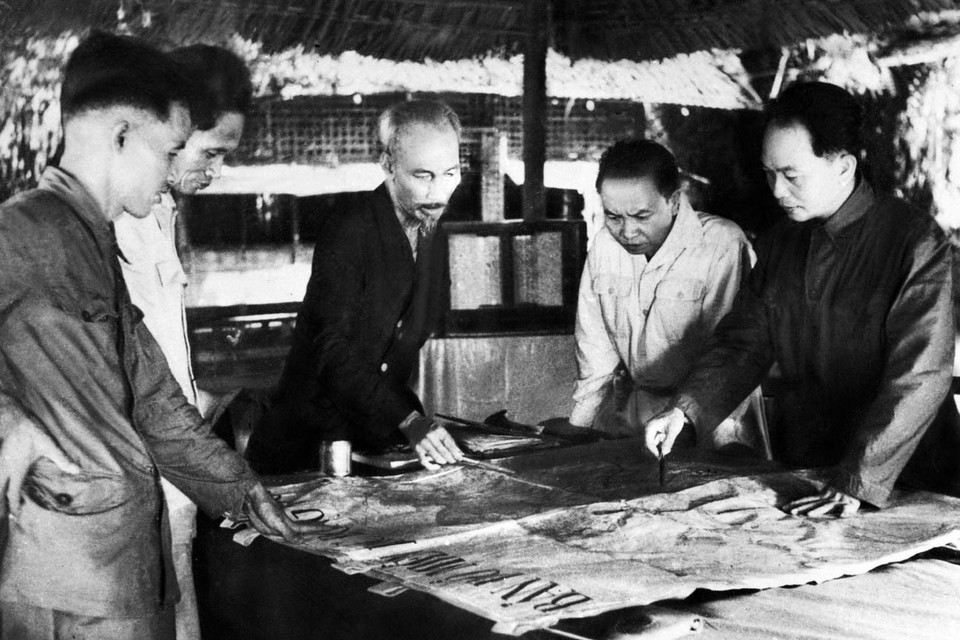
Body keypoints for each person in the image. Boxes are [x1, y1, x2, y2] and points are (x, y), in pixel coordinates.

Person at [0, 32, 314, 640]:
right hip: (63, 588)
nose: (173, 170)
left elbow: (154, 400)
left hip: (123, 571)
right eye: (167, 150)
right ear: (120, 135)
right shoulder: (20, 234)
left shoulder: (92, 241)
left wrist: (240, 490)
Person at [644, 81, 960, 517]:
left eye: (791, 175)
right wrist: (686, 409)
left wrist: (861, 479)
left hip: (907, 479)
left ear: (844, 167)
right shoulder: (779, 245)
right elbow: (743, 345)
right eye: (769, 174)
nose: (776, 190)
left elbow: (920, 375)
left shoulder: (915, 242)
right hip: (810, 466)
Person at [113, 44, 251, 640]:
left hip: (178, 493)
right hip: (132, 506)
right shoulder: (104, 222)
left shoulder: (162, 213)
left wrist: (207, 401)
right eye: (209, 151)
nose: (214, 171)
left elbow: (157, 354)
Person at [246, 100, 465, 473]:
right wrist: (410, 421)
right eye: (423, 175)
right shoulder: (351, 228)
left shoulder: (428, 226)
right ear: (388, 166)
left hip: (371, 436)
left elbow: (394, 356)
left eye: (450, 173)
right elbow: (333, 352)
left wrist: (416, 423)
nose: (439, 193)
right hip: (305, 448)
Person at [554, 139, 753, 439]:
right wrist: (578, 426)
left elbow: (732, 353)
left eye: (641, 216)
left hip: (717, 418)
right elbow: (595, 349)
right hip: (639, 412)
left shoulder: (721, 244)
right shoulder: (605, 248)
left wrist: (694, 422)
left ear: (673, 201)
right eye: (613, 216)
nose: (628, 232)